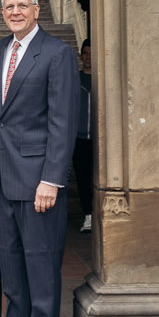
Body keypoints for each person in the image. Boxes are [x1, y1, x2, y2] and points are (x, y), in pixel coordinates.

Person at [0, 0, 80, 317]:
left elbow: (63, 121)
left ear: (37, 10)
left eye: (22, 6)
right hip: (1, 182)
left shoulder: (56, 54)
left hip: (39, 183)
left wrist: (52, 180)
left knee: (41, 271)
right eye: (9, 8)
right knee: (12, 275)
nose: (15, 13)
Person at [75, 39, 95, 233]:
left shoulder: (102, 80)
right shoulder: (74, 79)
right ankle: (88, 214)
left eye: (92, 54)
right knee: (82, 178)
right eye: (85, 53)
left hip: (99, 139)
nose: (88, 58)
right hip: (79, 138)